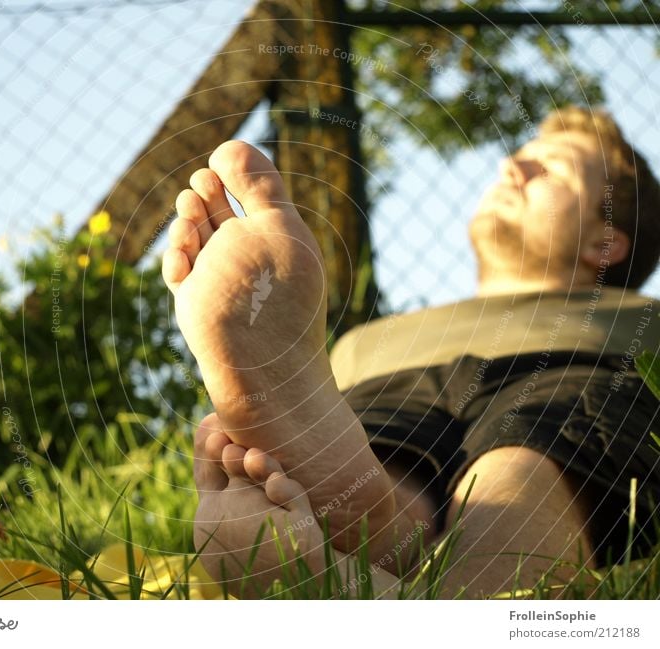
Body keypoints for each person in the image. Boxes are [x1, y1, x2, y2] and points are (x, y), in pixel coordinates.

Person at [161, 106, 660, 598]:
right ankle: (375, 523)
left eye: (551, 169)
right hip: (389, 381)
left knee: (522, 461)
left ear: (607, 242)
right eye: (522, 156)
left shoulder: (641, 317)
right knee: (372, 451)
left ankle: (401, 570)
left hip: (578, 367)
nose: (512, 166)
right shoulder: (381, 337)